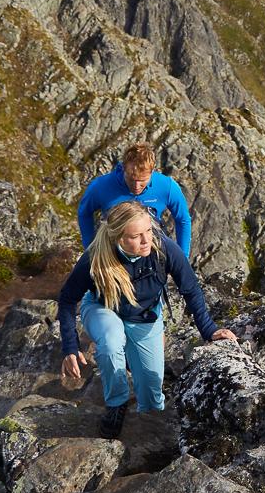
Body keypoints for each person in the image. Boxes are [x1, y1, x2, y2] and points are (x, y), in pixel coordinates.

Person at [59, 200, 235, 435]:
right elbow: (68, 299)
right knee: (112, 342)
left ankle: (132, 361)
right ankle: (116, 402)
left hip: (145, 316)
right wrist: (70, 347)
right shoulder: (96, 257)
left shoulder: (164, 249)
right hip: (104, 309)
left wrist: (209, 330)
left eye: (148, 231)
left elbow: (191, 288)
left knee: (152, 400)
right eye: (137, 236)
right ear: (118, 238)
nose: (146, 240)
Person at [78, 142, 192, 257]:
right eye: (131, 179)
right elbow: (84, 213)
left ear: (152, 172)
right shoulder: (100, 186)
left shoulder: (167, 187)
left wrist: (184, 257)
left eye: (142, 181)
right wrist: (91, 249)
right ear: (123, 169)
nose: (136, 186)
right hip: (113, 253)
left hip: (150, 251)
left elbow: (183, 219)